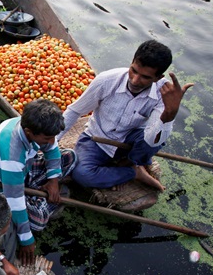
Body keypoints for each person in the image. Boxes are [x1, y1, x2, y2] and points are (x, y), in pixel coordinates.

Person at [57, 39, 194, 192]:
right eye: (134, 70)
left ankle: (132, 161)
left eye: (145, 77)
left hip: (131, 142)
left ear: (158, 78)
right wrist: (52, 142)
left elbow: (151, 139)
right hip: (97, 138)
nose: (135, 80)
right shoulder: (107, 80)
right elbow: (75, 111)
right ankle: (134, 172)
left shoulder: (165, 94)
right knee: (82, 175)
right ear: (131, 63)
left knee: (154, 140)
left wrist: (170, 114)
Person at [0, 99, 76, 266]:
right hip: (4, 187)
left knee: (70, 156)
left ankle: (43, 195)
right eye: (47, 138)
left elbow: (52, 148)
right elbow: (15, 203)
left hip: (25, 170)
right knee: (38, 223)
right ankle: (40, 201)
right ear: (29, 132)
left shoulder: (33, 129)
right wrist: (27, 241)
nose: (52, 141)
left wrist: (53, 181)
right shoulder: (12, 157)